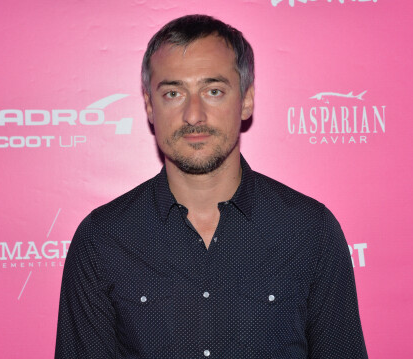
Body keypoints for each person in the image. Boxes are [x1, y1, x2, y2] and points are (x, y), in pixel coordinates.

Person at [55, 14, 368, 358]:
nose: (193, 114)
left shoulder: (309, 230)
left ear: (246, 99)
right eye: (173, 93)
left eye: (213, 91)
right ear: (149, 105)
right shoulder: (102, 239)